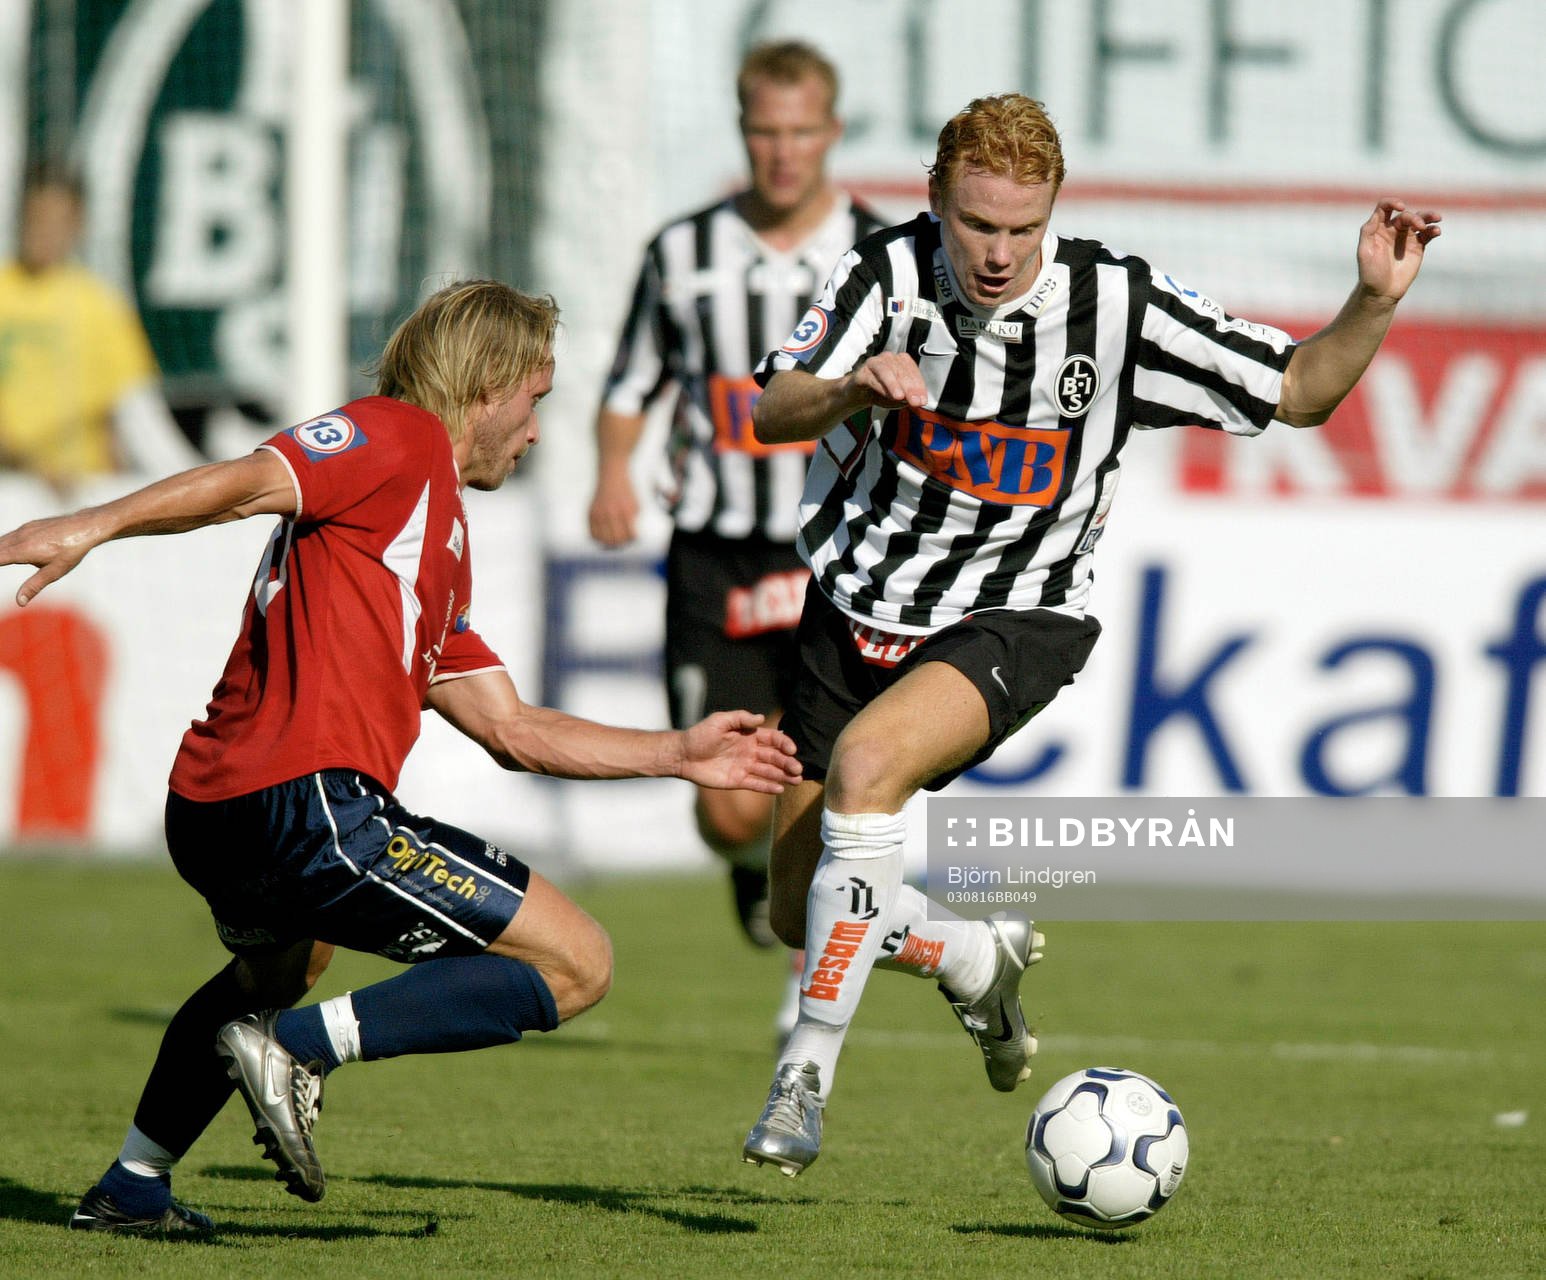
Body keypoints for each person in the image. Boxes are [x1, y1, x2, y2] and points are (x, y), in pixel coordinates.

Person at [0, 279, 802, 1234]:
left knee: (279, 969)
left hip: (215, 809)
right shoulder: (401, 436)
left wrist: (677, 752)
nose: (537, 431)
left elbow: (509, 726)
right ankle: (298, 1051)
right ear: (490, 383)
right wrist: (90, 525)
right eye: (535, 401)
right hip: (311, 805)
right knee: (579, 962)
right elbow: (249, 479)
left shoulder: (427, 535)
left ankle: (134, 1184)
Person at [737, 93, 1442, 1176]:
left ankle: (805, 1076)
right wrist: (845, 391)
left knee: (866, 773)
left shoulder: (1115, 303)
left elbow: (1297, 388)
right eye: (978, 224)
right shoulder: (881, 274)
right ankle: (969, 953)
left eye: (1024, 228)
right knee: (800, 906)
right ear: (937, 201)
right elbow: (771, 406)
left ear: (1054, 210)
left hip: (1016, 611)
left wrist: (1371, 298)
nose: (999, 252)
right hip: (852, 607)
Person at [589, 41, 885, 1017]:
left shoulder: (879, 257)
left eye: (802, 130)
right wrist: (612, 473)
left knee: (827, 766)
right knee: (724, 804)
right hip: (714, 553)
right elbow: (632, 382)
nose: (783, 151)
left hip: (831, 552)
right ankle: (754, 868)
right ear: (742, 130)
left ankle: (809, 946)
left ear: (832, 133)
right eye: (765, 130)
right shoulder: (682, 253)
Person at [0, 166, 200, 490]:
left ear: (78, 224)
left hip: (77, 487)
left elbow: (122, 410)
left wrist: (115, 488)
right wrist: (28, 465)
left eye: (58, 222)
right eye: (38, 220)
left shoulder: (100, 302)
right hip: (11, 482)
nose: (46, 233)